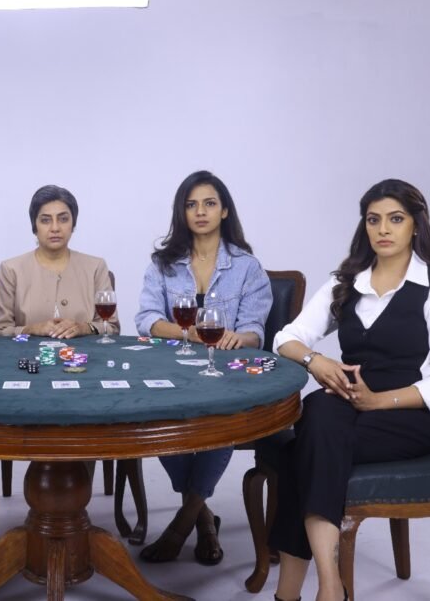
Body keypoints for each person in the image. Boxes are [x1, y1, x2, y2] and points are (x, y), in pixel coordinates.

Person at [269, 179, 430, 601]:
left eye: (395, 219)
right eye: (373, 220)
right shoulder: (347, 283)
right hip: (346, 410)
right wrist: (316, 361)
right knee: (319, 411)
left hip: (409, 416)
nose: (383, 229)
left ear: (415, 225)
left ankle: (295, 593)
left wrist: (377, 401)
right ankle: (330, 584)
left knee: (298, 452)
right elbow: (287, 337)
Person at [135, 170, 272, 566]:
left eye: (209, 203)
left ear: (224, 210)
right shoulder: (163, 264)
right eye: (191, 204)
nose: (200, 212)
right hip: (173, 371)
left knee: (222, 418)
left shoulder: (247, 267)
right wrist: (188, 333)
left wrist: (238, 338)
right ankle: (203, 515)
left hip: (225, 374)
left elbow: (254, 331)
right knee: (156, 417)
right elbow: (146, 320)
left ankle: (186, 521)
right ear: (182, 212)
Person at [0, 184, 119, 339]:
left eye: (63, 219)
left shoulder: (95, 267)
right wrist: (30, 329)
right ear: (34, 226)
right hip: (27, 352)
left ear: (73, 224)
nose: (55, 228)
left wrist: (84, 327)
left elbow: (111, 327)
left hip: (85, 353)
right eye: (45, 220)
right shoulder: (11, 269)